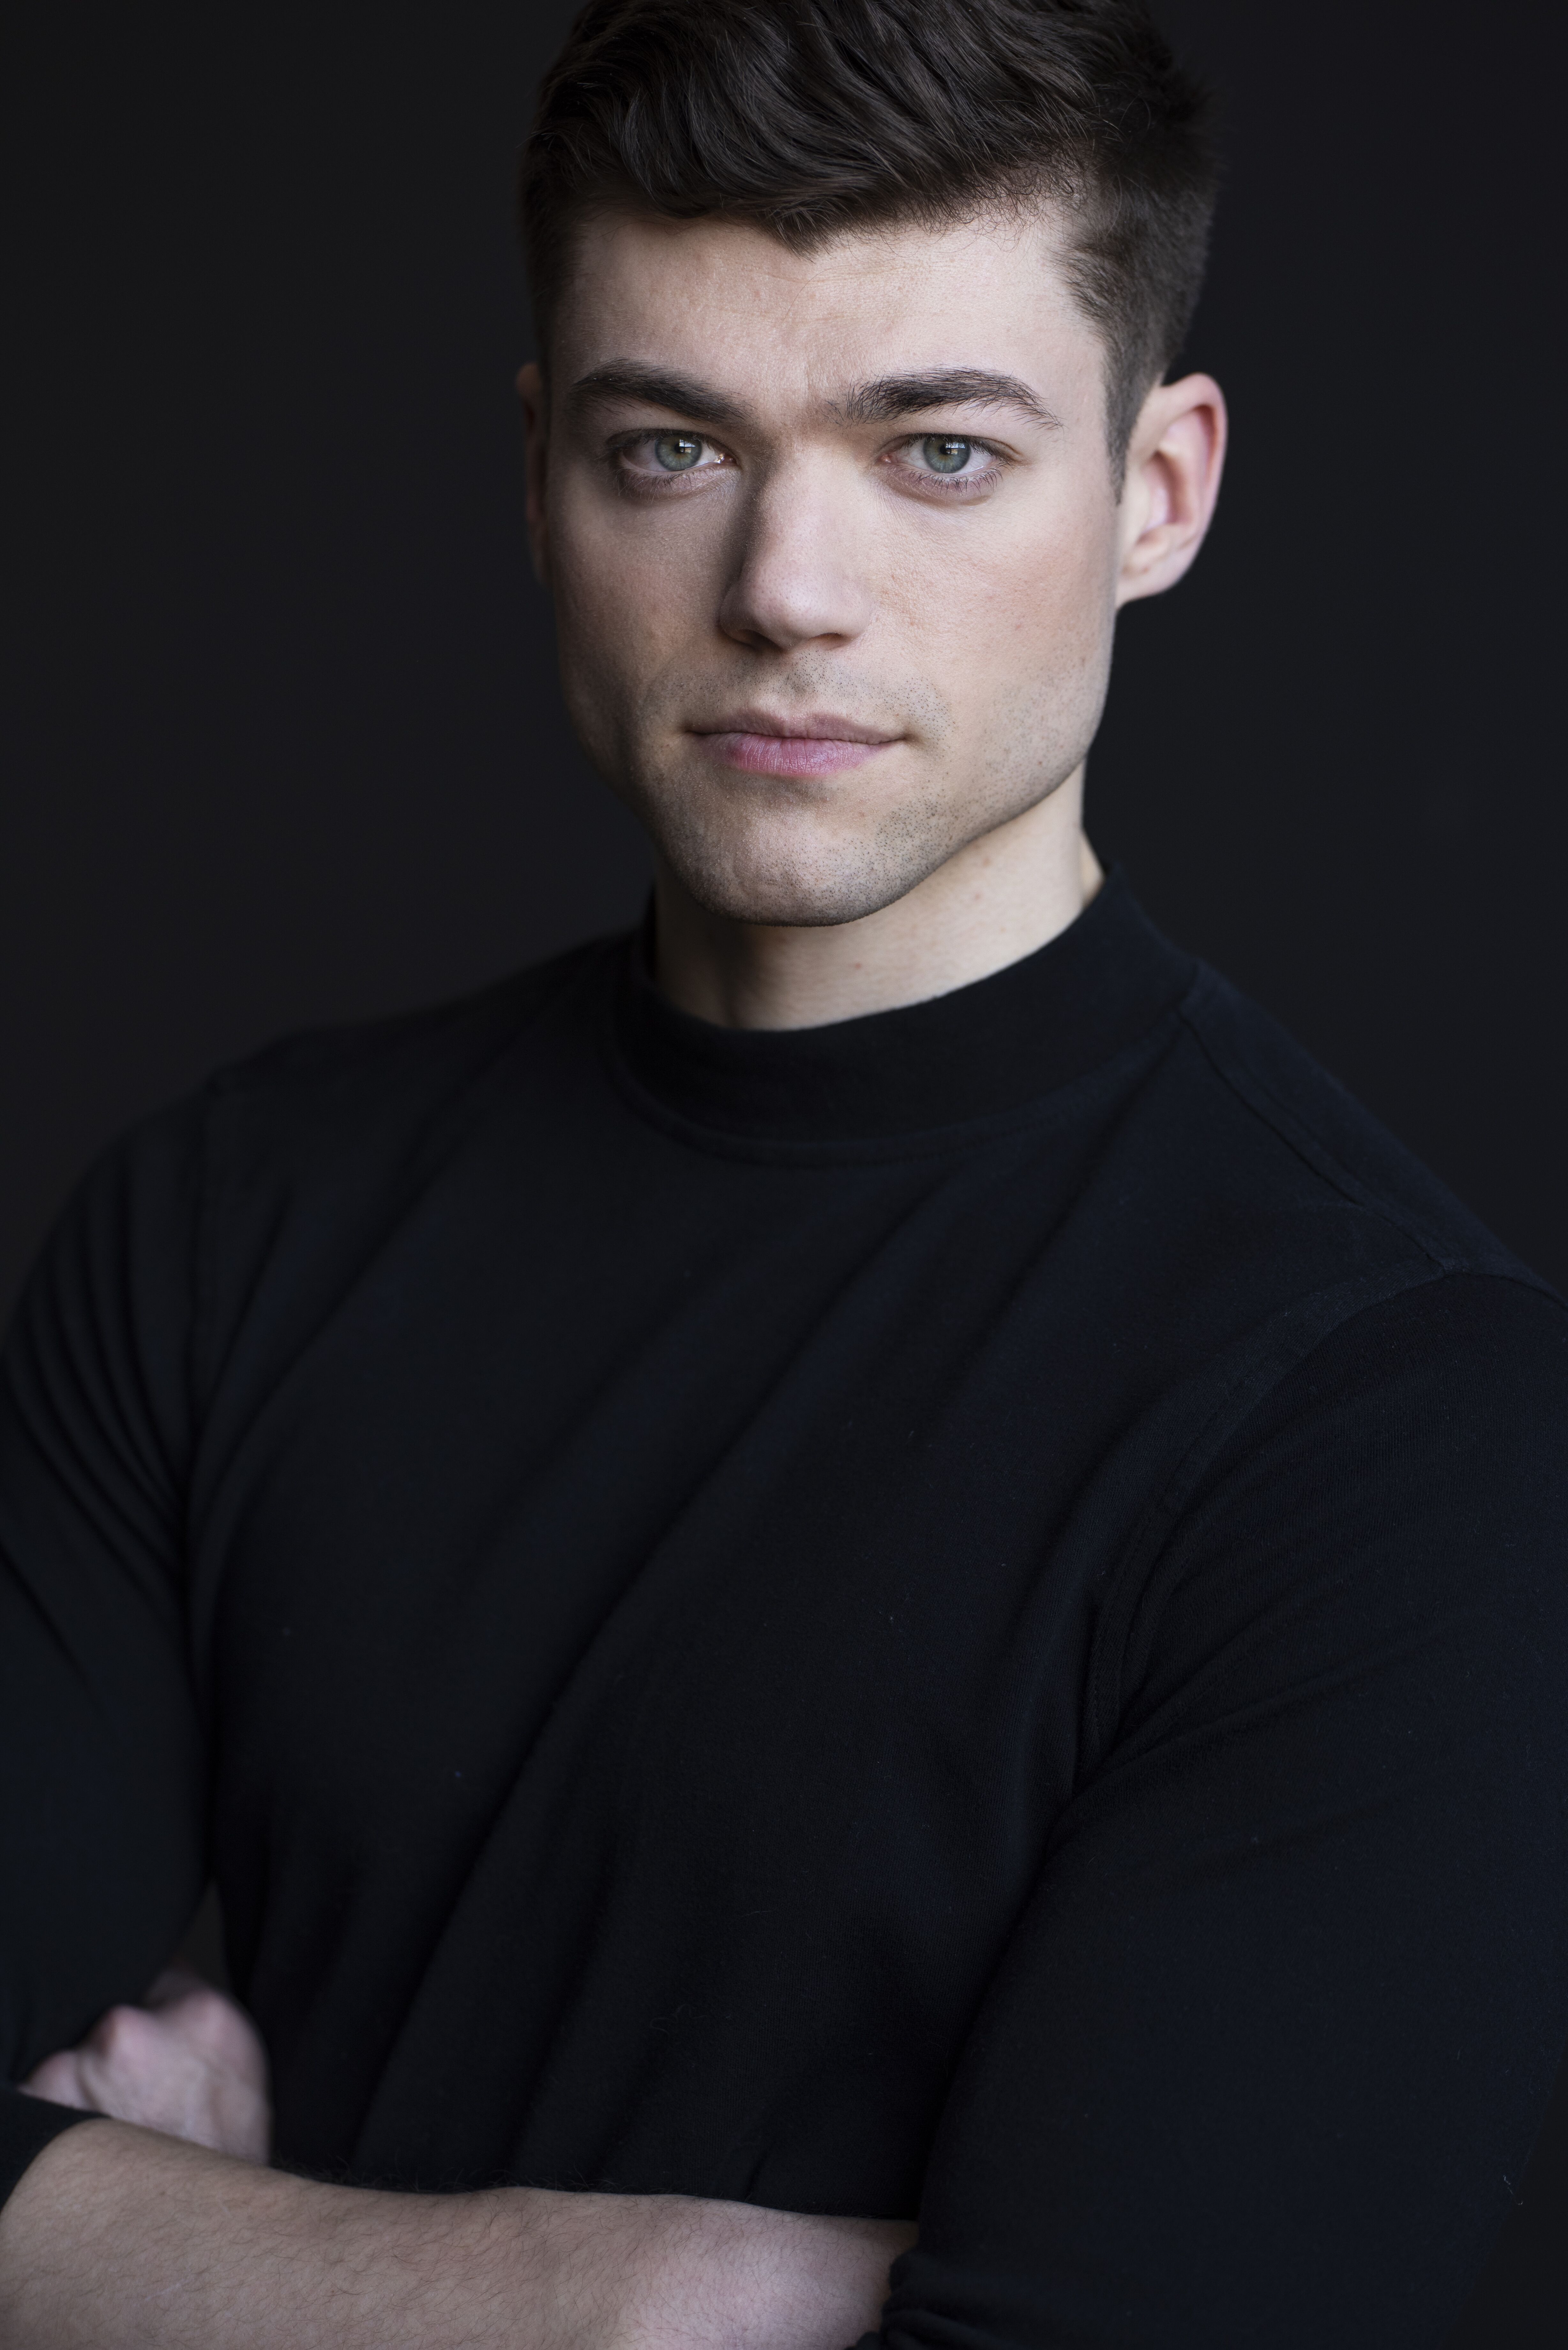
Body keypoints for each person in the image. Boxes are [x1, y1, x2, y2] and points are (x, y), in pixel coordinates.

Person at [1, 0, 1564, 2341]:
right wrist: (649, 2302)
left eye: (939, 452)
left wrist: (158, 2261)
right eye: (672, 448)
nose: (786, 589)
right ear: (542, 471)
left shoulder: (1407, 1423)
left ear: (1158, 493)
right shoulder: (220, 1230)